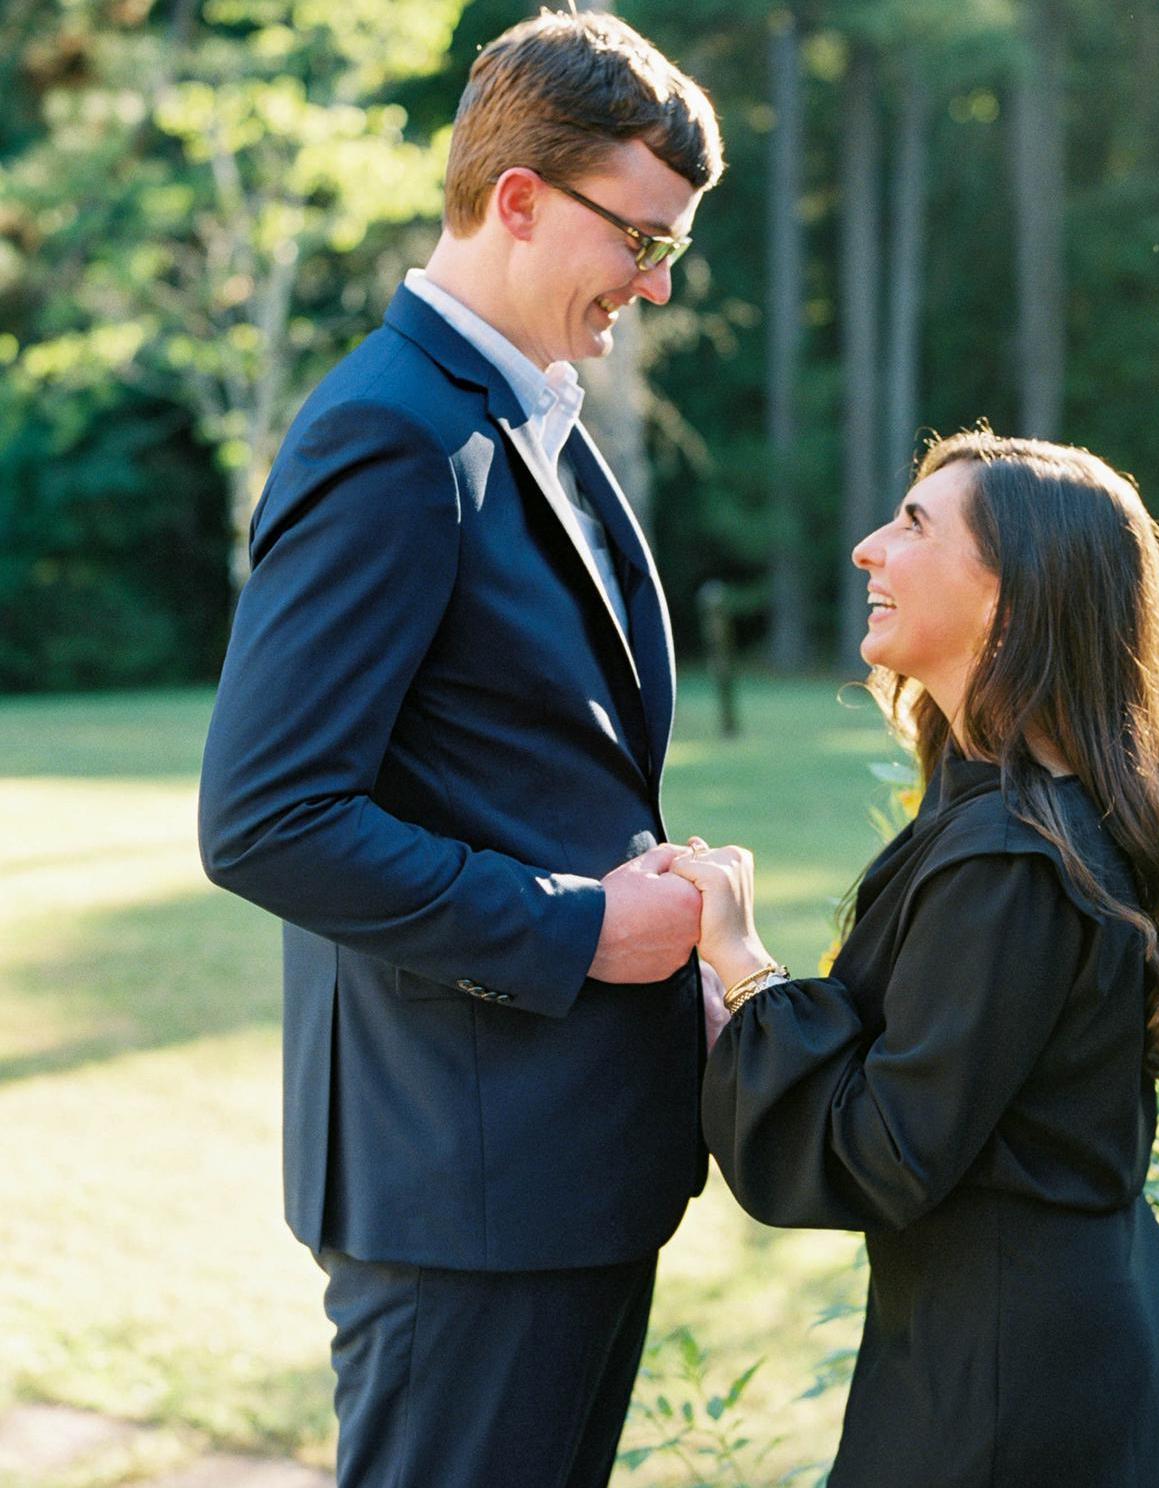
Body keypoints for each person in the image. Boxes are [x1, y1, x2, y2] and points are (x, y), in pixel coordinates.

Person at [196, 13, 724, 1487]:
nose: (658, 280)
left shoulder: (526, 411)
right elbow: (266, 816)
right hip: (463, 1194)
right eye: (640, 235)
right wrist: (583, 929)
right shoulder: (388, 432)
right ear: (518, 200)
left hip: (561, 1178)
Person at [671, 429, 1159, 1487]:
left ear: (1013, 603)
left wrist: (744, 963)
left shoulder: (1014, 857)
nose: (868, 549)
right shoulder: (1018, 814)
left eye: (916, 526)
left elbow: (888, 1150)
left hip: (1011, 1377)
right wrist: (747, 1013)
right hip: (1030, 1325)